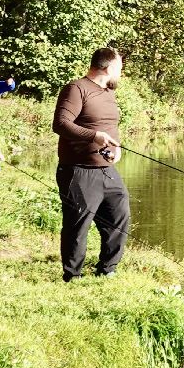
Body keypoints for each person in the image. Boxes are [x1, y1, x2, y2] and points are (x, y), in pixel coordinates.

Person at [53, 48, 129, 281]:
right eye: (120, 67)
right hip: (78, 170)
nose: (121, 72)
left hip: (106, 169)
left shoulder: (107, 92)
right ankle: (72, 275)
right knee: (78, 225)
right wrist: (93, 136)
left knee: (119, 215)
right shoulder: (76, 88)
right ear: (108, 68)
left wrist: (116, 150)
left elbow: (108, 127)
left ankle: (107, 269)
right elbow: (61, 124)